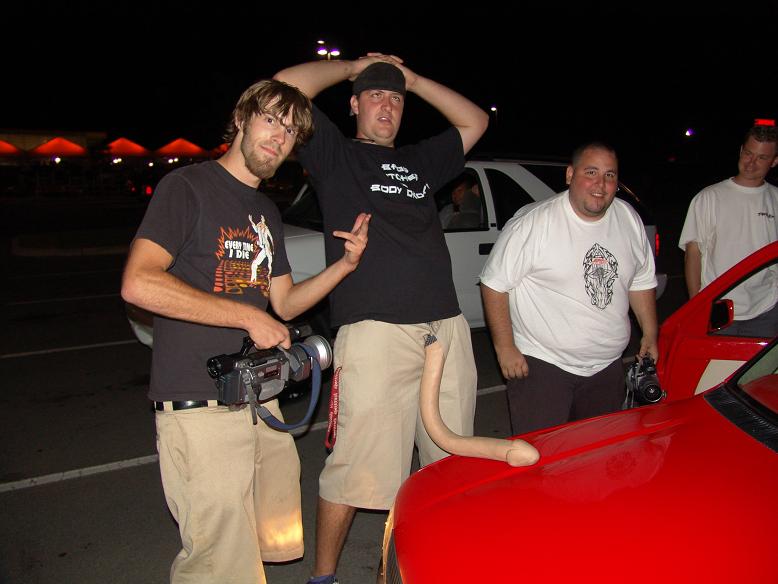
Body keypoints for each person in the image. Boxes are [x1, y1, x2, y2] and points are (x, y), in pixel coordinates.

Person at [120, 79, 370, 584]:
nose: (279, 137)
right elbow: (138, 283)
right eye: (270, 120)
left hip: (259, 399)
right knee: (218, 558)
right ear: (240, 119)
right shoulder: (188, 187)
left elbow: (285, 302)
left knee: (266, 535)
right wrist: (246, 316)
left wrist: (345, 266)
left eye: (291, 131)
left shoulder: (266, 212)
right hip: (199, 404)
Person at [274, 54, 488, 584]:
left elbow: (475, 121)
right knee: (355, 468)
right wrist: (353, 66)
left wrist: (413, 79)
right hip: (375, 332)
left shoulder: (421, 161)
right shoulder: (335, 155)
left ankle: (438, 566)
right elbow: (283, 86)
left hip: (446, 329)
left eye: (395, 98)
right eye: (375, 95)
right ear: (353, 106)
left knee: (451, 461)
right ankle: (323, 577)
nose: (387, 105)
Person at [480, 142, 658, 436]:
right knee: (542, 454)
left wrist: (650, 333)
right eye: (591, 172)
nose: (600, 184)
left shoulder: (628, 218)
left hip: (606, 368)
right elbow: (494, 284)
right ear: (570, 175)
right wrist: (505, 347)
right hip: (543, 366)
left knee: (595, 452)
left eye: (610, 175)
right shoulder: (535, 223)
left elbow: (641, 281)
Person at [679, 125, 778, 337]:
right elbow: (693, 253)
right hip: (718, 309)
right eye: (748, 153)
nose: (751, 162)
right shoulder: (709, 197)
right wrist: (696, 306)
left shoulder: (775, 199)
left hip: (766, 309)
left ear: (774, 161)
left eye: (761, 158)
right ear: (741, 150)